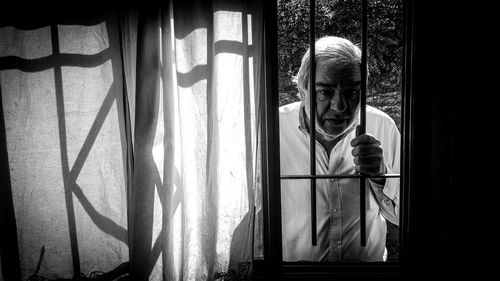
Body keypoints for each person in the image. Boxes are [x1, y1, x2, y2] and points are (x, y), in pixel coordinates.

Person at [279, 36, 400, 262]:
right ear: (302, 89)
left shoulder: (382, 125)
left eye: (352, 92)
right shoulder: (273, 130)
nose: (340, 105)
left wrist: (382, 177)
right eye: (325, 92)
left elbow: (406, 216)